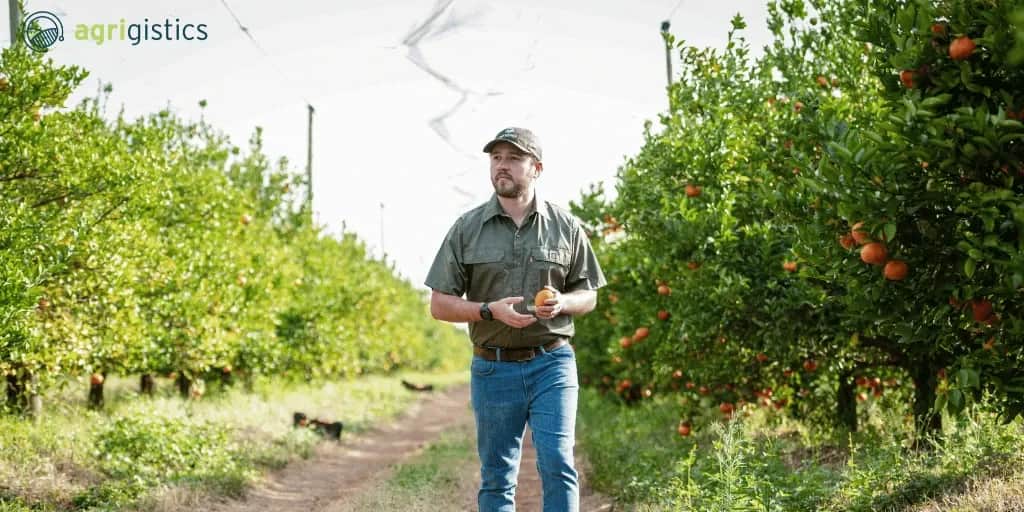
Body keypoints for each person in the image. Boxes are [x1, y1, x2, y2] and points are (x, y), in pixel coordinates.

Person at [425, 127, 606, 511]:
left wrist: (563, 303)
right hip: (493, 367)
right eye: (496, 158)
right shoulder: (467, 229)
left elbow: (588, 295)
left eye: (512, 158)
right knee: (497, 477)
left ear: (536, 168)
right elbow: (439, 304)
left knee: (557, 462)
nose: (501, 166)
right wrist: (488, 310)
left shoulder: (566, 227)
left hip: (552, 362)